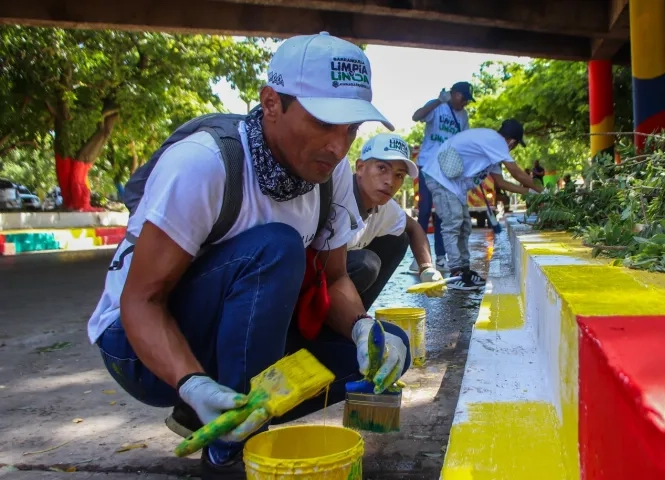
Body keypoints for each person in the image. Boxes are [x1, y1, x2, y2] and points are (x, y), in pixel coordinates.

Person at [86, 32, 411, 480]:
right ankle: (227, 445)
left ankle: (240, 412)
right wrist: (190, 381)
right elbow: (142, 301)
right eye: (323, 122)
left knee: (392, 349)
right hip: (138, 348)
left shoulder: (331, 175)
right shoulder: (204, 164)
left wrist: (362, 329)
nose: (338, 146)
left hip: (235, 323)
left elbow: (336, 279)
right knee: (274, 248)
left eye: (351, 129)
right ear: (272, 103)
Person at [422, 119, 544, 290]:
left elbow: (501, 183)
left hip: (452, 186)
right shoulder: (496, 141)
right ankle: (456, 273)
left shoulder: (492, 150)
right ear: (512, 142)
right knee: (453, 224)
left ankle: (464, 270)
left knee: (465, 226)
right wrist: (542, 192)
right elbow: (516, 173)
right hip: (440, 179)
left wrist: (530, 193)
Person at [347, 133, 443, 309]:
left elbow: (414, 228)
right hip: (310, 280)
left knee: (401, 238)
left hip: (336, 278)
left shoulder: (385, 206)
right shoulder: (339, 196)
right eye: (382, 168)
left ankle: (355, 317)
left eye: (399, 175)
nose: (390, 182)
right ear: (360, 167)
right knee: (366, 263)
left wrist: (427, 268)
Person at [409, 81, 474, 273]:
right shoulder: (438, 107)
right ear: (453, 93)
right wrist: (438, 100)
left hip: (447, 171)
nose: (465, 103)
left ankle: (440, 257)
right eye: (463, 98)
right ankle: (418, 258)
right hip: (428, 166)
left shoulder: (463, 115)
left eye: (467, 100)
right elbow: (416, 116)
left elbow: (464, 142)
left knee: (443, 214)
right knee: (424, 211)